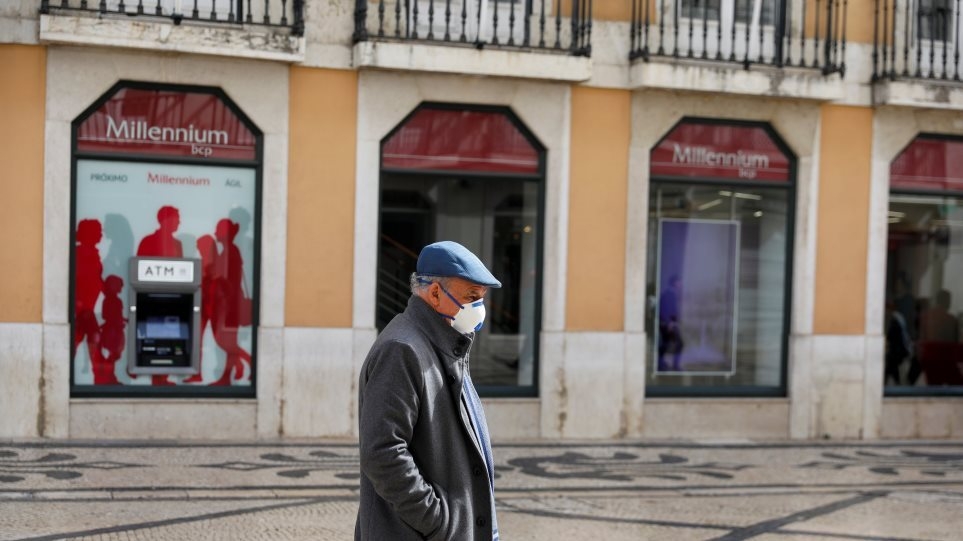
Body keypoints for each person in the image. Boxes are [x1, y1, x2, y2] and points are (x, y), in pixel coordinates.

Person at [356, 240, 501, 541]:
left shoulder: (447, 343)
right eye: (471, 297)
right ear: (435, 293)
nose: (479, 309)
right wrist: (438, 522)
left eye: (482, 299)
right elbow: (383, 452)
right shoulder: (402, 349)